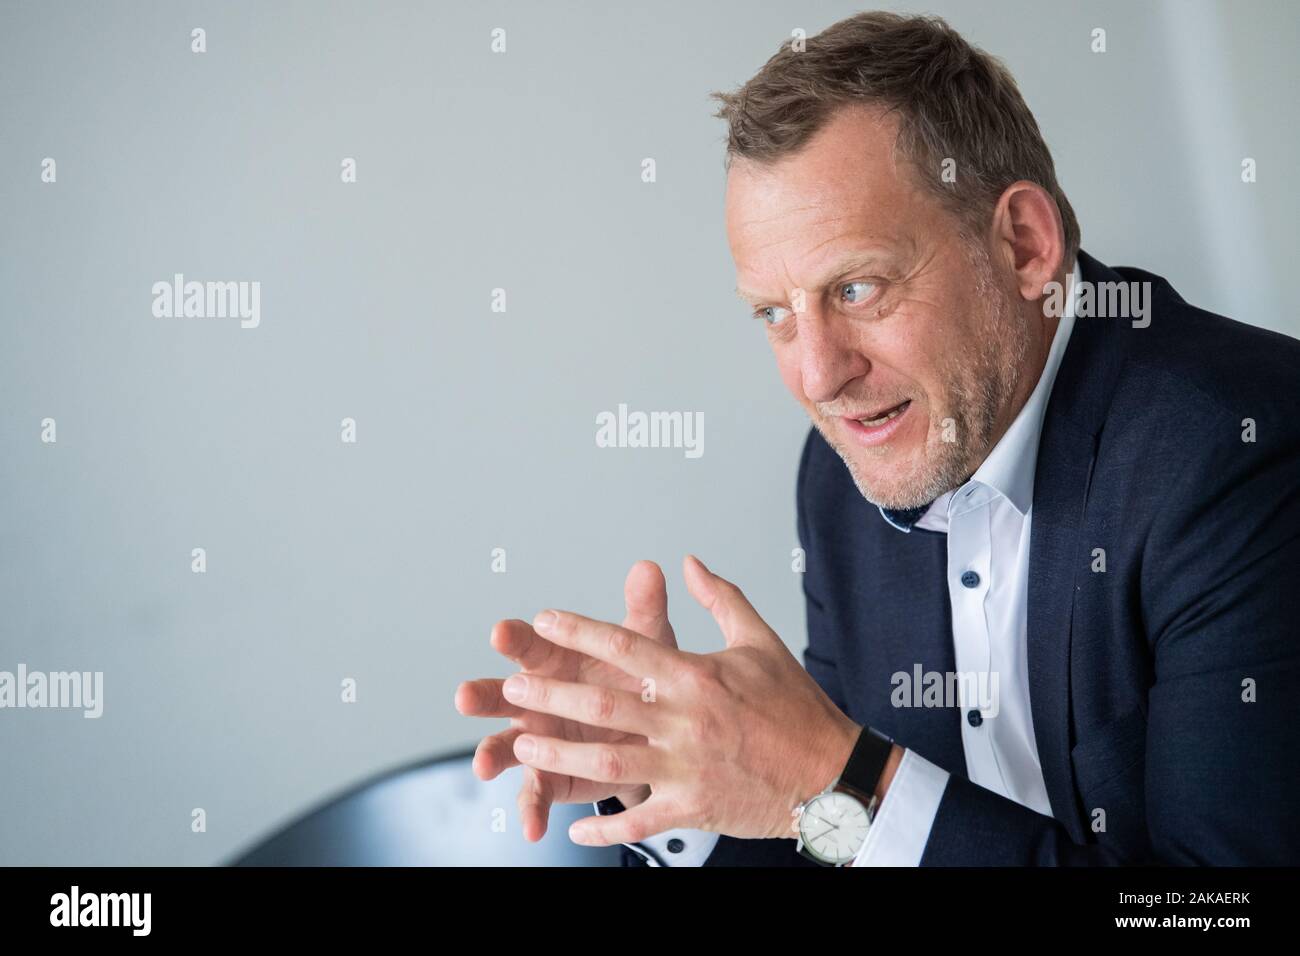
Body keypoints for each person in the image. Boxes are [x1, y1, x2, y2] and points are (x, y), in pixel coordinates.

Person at [454, 11, 1300, 866]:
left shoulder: (1240, 449)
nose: (819, 377)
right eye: (776, 314)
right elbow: (853, 840)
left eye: (856, 288)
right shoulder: (844, 472)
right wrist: (689, 784)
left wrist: (841, 773)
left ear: (1024, 245)